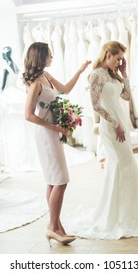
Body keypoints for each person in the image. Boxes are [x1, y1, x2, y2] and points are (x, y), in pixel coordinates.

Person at [63, 41, 138, 240]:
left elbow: (128, 97)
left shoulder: (113, 74)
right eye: (118, 58)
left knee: (126, 164)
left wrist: (125, 73)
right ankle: (115, 214)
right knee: (121, 163)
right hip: (111, 127)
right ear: (107, 54)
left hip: (121, 124)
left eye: (121, 58)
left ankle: (131, 211)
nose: (120, 61)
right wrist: (114, 123)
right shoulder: (96, 75)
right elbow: (95, 106)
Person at [23, 42, 91, 246]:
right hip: (45, 135)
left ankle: (57, 227)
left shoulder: (47, 76)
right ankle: (53, 227)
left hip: (52, 133)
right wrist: (55, 128)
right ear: (41, 57)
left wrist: (79, 71)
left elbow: (65, 91)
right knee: (61, 180)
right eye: (50, 54)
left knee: (53, 181)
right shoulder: (35, 83)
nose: (53, 57)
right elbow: (28, 115)